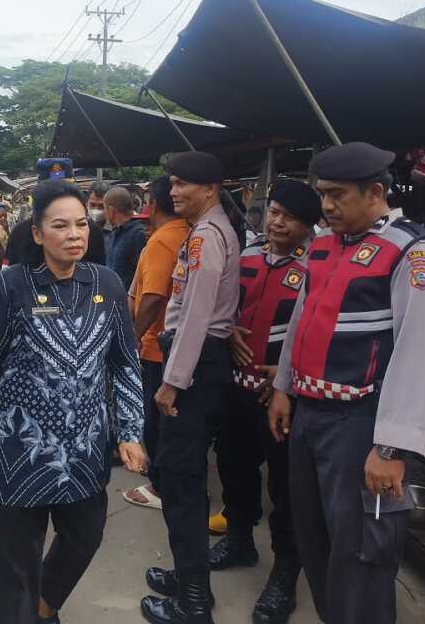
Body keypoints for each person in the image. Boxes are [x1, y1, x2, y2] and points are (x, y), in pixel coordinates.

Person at [0, 179, 147, 624]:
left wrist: (130, 431)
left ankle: (46, 602)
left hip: (86, 453)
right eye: (60, 225)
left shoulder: (107, 284)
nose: (74, 234)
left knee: (85, 537)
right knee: (16, 564)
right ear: (37, 233)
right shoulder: (11, 285)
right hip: (21, 451)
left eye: (80, 225)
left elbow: (125, 364)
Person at [267, 142, 425, 624]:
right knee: (317, 542)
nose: (325, 206)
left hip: (360, 426)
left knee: (361, 553)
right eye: (322, 194)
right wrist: (284, 387)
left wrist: (390, 449)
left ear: (375, 192)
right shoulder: (325, 244)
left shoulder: (413, 253)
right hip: (309, 415)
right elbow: (302, 320)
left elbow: (417, 354)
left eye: (336, 195)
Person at [211, 179, 321, 624]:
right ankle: (238, 539)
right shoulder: (248, 255)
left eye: (288, 216)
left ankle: (284, 575)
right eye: (273, 212)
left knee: (284, 486)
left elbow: (317, 331)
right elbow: (225, 307)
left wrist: (286, 380)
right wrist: (229, 330)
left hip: (281, 397)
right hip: (236, 387)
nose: (276, 222)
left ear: (308, 224)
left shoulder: (318, 265)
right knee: (233, 467)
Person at [142, 152, 241, 624]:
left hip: (194, 366)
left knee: (180, 480)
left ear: (210, 188)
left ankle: (194, 602)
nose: (174, 191)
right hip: (197, 361)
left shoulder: (205, 237)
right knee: (180, 477)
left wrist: (172, 382)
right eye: (173, 184)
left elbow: (197, 317)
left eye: (183, 184)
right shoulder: (207, 232)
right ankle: (188, 576)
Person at [123, 175, 190, 512]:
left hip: (156, 346)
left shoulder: (164, 240)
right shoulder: (183, 234)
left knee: (155, 422)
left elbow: (152, 296)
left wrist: (131, 336)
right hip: (172, 344)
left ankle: (161, 487)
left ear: (153, 203)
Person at [105, 185, 149, 290]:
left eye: (104, 207)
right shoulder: (114, 233)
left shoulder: (138, 234)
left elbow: (142, 274)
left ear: (111, 210)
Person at [87, 180, 112, 256]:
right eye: (92, 205)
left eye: (101, 206)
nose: (96, 209)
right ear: (86, 203)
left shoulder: (116, 231)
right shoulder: (80, 228)